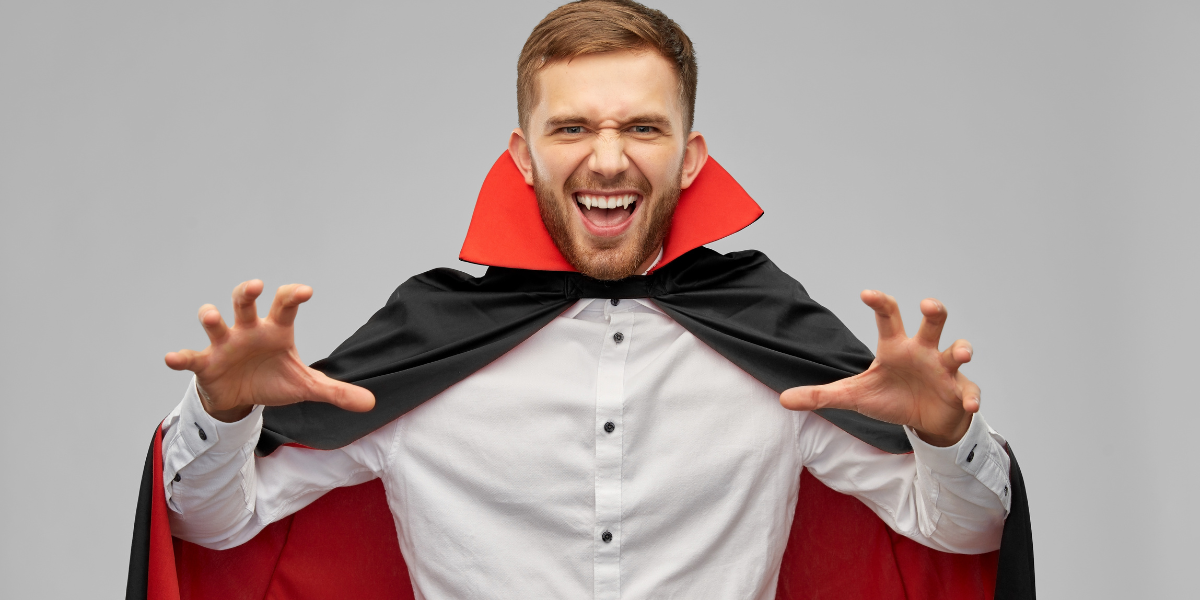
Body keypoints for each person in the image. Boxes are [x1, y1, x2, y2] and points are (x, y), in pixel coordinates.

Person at [128, 1, 1032, 598]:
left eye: (642, 126)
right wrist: (224, 413)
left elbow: (958, 538)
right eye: (571, 127)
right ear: (522, 156)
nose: (606, 159)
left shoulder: (776, 353)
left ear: (690, 156)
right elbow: (217, 525)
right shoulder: (427, 350)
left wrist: (944, 436)